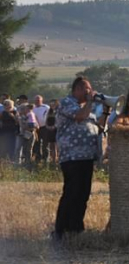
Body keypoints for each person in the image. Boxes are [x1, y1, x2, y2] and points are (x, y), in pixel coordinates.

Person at [54, 76, 110, 239]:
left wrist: (106, 111)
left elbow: (100, 126)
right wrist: (91, 102)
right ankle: (61, 229)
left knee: (83, 194)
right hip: (72, 157)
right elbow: (79, 116)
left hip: (86, 157)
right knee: (72, 192)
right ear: (77, 89)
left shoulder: (86, 108)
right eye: (87, 88)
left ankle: (76, 227)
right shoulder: (67, 103)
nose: (90, 91)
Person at [31, 95, 50, 162]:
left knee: (45, 144)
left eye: (38, 100)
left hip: (45, 127)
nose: (37, 101)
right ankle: (38, 158)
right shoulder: (33, 108)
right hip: (36, 128)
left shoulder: (46, 107)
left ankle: (46, 158)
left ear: (41, 100)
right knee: (36, 143)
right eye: (36, 100)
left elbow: (49, 117)